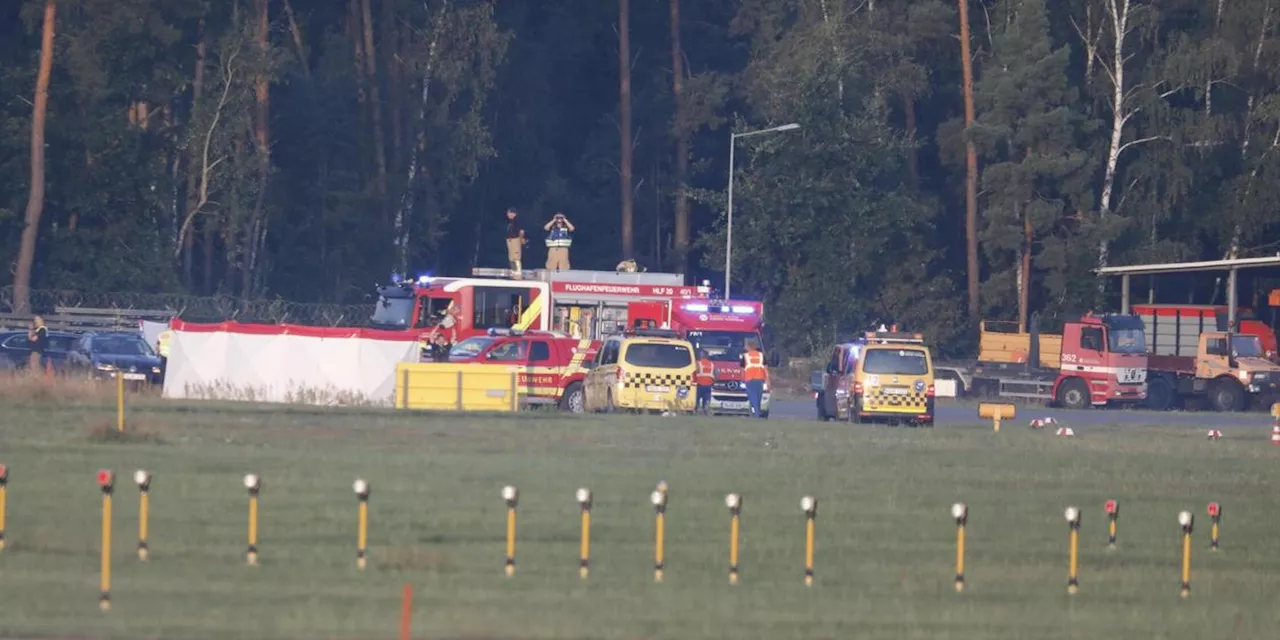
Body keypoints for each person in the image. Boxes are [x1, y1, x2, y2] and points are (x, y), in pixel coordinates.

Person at [741, 340, 768, 418]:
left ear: (749, 347)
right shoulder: (761, 356)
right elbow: (766, 369)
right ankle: (756, 413)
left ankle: (756, 414)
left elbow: (742, 370)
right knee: (758, 398)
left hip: (749, 379)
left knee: (752, 398)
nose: (745, 347)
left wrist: (742, 380)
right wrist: (767, 380)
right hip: (760, 379)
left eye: (746, 346)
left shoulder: (745, 356)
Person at [505, 208, 527, 275]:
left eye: (508, 213)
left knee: (516, 258)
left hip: (515, 240)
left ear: (513, 213)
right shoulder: (511, 222)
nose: (507, 215)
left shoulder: (518, 220)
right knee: (511, 258)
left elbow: (521, 231)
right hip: (510, 241)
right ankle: (514, 272)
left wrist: (521, 240)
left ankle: (517, 274)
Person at [695, 349, 716, 415]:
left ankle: (696, 410)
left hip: (700, 384)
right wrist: (713, 382)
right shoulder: (712, 364)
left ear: (702, 355)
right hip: (708, 385)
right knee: (706, 399)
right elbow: (716, 374)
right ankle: (705, 410)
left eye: (700, 354)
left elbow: (695, 372)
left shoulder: (698, 363)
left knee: (696, 399)